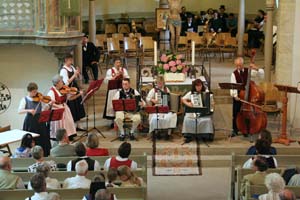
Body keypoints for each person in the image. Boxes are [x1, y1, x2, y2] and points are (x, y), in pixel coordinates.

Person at [230, 57, 263, 137]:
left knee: (247, 113)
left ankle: (246, 129)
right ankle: (235, 130)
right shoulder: (234, 74)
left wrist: (257, 68)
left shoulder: (248, 71)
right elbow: (232, 86)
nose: (238, 67)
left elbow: (260, 76)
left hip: (248, 97)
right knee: (236, 113)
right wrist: (235, 96)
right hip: (239, 96)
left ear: (243, 64)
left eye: (240, 65)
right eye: (237, 65)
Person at [18, 82, 51, 156]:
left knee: (42, 136)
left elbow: (44, 108)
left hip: (40, 120)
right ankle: (32, 154)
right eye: (34, 92)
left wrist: (49, 104)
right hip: (30, 121)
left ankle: (43, 153)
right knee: (32, 138)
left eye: (36, 91)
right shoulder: (24, 99)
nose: (36, 93)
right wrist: (29, 110)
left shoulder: (39, 98)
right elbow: (19, 111)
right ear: (29, 91)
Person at [181, 79, 214, 143]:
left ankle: (206, 135)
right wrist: (188, 104)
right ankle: (189, 135)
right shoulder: (191, 93)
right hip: (194, 111)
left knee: (208, 120)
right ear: (194, 86)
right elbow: (182, 99)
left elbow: (212, 100)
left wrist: (212, 104)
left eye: (200, 85)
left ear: (202, 85)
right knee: (187, 119)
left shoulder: (207, 92)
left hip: (204, 112)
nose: (199, 87)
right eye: (197, 86)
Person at [59, 54, 86, 131]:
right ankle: (73, 126)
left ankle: (78, 124)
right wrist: (74, 75)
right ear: (65, 60)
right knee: (72, 107)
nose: (71, 62)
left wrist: (78, 74)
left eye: (72, 60)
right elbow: (66, 83)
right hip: (69, 90)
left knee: (78, 106)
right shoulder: (63, 70)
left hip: (75, 88)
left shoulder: (72, 67)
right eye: (70, 60)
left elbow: (77, 78)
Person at [146, 76, 177, 140]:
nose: (160, 84)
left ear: (163, 83)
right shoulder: (153, 90)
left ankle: (168, 133)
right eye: (158, 83)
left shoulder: (166, 89)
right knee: (154, 117)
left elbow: (169, 98)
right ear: (156, 83)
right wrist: (153, 100)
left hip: (165, 108)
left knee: (171, 116)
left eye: (161, 83)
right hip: (157, 108)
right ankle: (156, 132)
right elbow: (147, 98)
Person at [47, 74, 76, 139]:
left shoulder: (63, 89)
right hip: (57, 110)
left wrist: (77, 94)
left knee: (68, 123)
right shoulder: (51, 92)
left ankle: (68, 135)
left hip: (64, 108)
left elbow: (69, 98)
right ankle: (60, 137)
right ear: (57, 83)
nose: (63, 83)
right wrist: (59, 107)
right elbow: (50, 102)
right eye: (61, 81)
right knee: (60, 126)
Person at [103, 57, 129, 122]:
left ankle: (121, 119)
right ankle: (113, 121)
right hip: (113, 90)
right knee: (112, 104)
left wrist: (122, 74)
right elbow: (106, 81)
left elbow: (127, 79)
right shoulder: (110, 71)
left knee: (121, 104)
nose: (118, 64)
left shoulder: (123, 70)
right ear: (114, 63)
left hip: (121, 90)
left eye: (119, 62)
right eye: (117, 62)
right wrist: (116, 75)